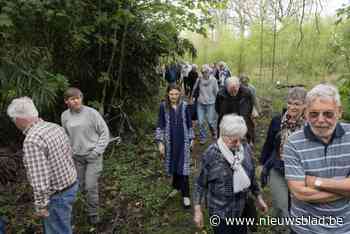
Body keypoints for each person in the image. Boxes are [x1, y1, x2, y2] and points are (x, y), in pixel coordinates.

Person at [284, 84, 350, 233]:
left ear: (339, 112)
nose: (320, 120)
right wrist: (344, 190)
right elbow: (299, 192)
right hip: (305, 229)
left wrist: (315, 182)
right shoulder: (293, 143)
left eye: (328, 114)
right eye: (314, 114)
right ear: (306, 113)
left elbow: (305, 190)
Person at [7, 97, 78, 233]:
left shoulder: (32, 140)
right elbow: (70, 154)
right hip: (71, 186)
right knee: (63, 225)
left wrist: (41, 206)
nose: (14, 123)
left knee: (58, 230)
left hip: (57, 197)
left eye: (13, 119)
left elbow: (40, 179)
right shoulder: (54, 127)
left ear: (20, 119)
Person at [193, 114, 268, 234]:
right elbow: (200, 184)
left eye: (241, 138)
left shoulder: (245, 148)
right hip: (220, 213)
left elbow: (252, 176)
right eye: (234, 140)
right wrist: (197, 210)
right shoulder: (211, 155)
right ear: (223, 136)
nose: (239, 144)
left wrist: (258, 198)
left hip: (241, 210)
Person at [260, 87, 307, 233]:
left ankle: (280, 227)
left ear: (305, 105)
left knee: (295, 208)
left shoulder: (310, 125)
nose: (292, 107)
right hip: (277, 168)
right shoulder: (277, 121)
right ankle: (285, 228)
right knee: (282, 205)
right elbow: (269, 144)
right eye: (290, 103)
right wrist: (262, 164)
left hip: (299, 173)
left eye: (297, 104)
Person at [61, 87, 110, 225]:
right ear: (66, 101)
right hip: (77, 157)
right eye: (72, 99)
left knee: (90, 186)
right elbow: (65, 136)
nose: (76, 101)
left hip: (93, 155)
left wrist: (96, 151)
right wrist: (69, 152)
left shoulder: (92, 113)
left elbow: (104, 133)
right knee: (79, 187)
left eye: (78, 97)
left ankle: (93, 215)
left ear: (81, 98)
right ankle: (80, 212)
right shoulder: (64, 116)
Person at [155, 84, 194, 208]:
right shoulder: (163, 107)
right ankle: (176, 187)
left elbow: (189, 123)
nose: (174, 96)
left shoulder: (185, 106)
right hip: (170, 142)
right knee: (175, 164)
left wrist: (191, 138)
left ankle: (186, 195)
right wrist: (160, 142)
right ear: (167, 94)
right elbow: (160, 124)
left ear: (180, 94)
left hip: (183, 142)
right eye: (171, 94)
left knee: (184, 168)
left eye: (176, 94)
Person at [215, 76, 255, 144]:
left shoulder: (247, 93)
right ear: (226, 87)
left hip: (242, 120)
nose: (233, 93)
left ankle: (247, 143)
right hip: (226, 121)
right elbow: (217, 108)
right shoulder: (220, 94)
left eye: (235, 90)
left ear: (239, 86)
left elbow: (250, 106)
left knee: (242, 141)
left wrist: (246, 116)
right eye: (231, 90)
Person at [191, 64, 219, 145]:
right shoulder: (199, 79)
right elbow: (194, 88)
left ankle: (214, 132)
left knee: (210, 121)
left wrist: (218, 102)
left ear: (209, 72)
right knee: (200, 122)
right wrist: (191, 97)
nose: (204, 73)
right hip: (201, 103)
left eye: (206, 72)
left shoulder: (213, 80)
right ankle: (203, 137)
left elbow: (216, 92)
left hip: (211, 103)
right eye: (202, 72)